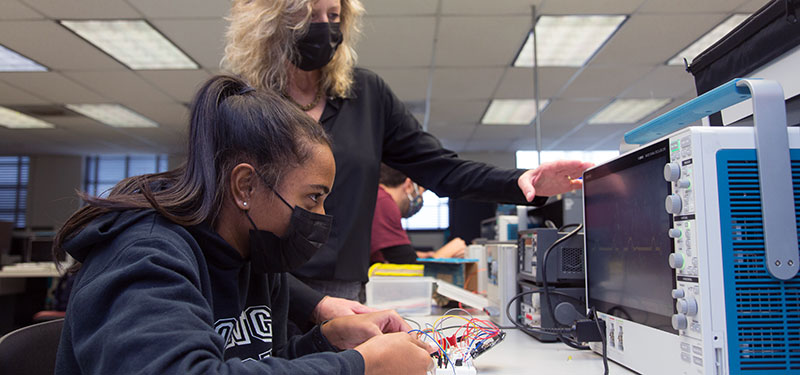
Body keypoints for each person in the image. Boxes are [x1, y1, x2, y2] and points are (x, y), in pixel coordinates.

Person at [52, 75, 435, 375]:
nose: (319, 217)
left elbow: (255, 362)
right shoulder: (143, 255)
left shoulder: (254, 255)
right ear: (245, 186)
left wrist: (326, 340)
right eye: (312, 198)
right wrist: (362, 366)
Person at [223, 0, 593, 305]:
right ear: (272, 22)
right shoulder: (245, 102)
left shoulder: (366, 95)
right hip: (261, 286)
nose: (324, 26)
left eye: (333, 16)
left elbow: (439, 168)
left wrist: (521, 180)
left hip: (344, 288)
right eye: (308, 14)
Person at [371, 164, 465, 264]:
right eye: (421, 192)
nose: (420, 198)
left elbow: (393, 255)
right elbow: (408, 266)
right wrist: (442, 255)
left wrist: (427, 256)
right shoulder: (382, 202)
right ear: (409, 185)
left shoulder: (375, 196)